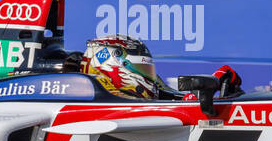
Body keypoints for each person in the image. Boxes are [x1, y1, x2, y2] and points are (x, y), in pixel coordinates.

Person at [79, 34, 242, 101]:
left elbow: (173, 97)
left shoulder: (151, 92)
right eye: (141, 68)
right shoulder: (97, 111)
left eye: (146, 69)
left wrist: (205, 90)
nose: (147, 76)